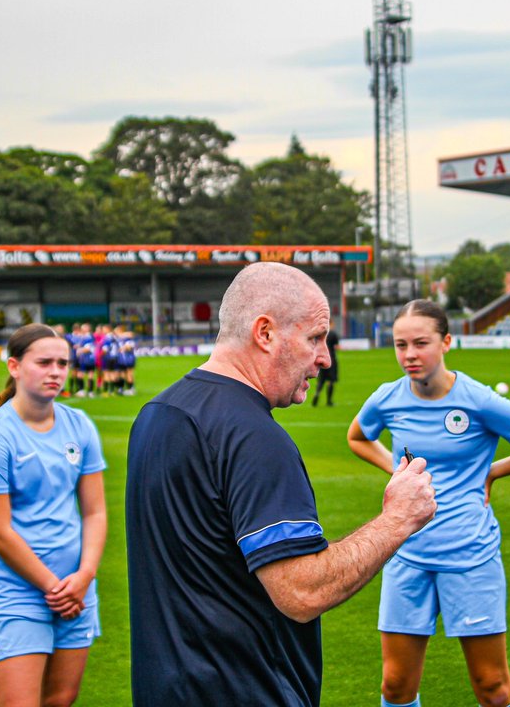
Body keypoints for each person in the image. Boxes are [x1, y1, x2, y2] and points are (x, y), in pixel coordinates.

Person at [125, 262, 437, 706]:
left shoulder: (159, 413)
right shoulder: (254, 437)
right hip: (245, 691)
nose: (325, 358)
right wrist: (398, 520)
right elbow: (301, 590)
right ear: (265, 333)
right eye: (314, 338)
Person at [347, 299, 510, 707]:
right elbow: (358, 436)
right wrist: (396, 470)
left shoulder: (478, 400)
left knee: (492, 686)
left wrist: (494, 470)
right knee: (395, 685)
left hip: (469, 554)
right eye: (400, 345)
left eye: (421, 343)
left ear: (446, 341)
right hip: (406, 552)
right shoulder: (388, 398)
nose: (410, 355)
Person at [0, 323, 107, 707]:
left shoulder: (80, 425)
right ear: (14, 366)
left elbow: (94, 511)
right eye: (44, 362)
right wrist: (53, 586)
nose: (56, 372)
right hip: (16, 593)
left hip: (76, 588)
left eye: (62, 363)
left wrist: (84, 577)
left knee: (60, 700)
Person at [312, 328, 340, 407]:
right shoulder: (333, 334)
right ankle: (329, 401)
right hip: (331, 360)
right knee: (330, 380)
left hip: (321, 359)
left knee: (321, 380)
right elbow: (337, 347)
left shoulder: (320, 333)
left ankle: (317, 393)